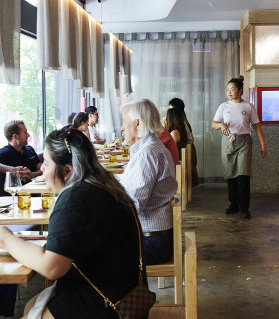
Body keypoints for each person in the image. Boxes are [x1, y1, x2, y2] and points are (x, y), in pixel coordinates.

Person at [0, 128, 141, 318]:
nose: (41, 169)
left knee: (32, 311)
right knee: (31, 306)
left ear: (67, 171)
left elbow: (51, 268)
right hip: (123, 289)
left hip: (106, 301)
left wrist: (6, 238)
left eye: (47, 164)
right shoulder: (101, 184)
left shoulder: (76, 198)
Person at [119, 99, 177, 264]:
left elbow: (133, 205)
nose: (122, 127)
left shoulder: (147, 153)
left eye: (124, 122)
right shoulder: (149, 148)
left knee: (88, 255)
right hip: (152, 238)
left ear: (137, 124)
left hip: (151, 243)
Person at [212, 75, 267, 219]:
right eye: (228, 90)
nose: (229, 92)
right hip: (228, 142)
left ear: (240, 90)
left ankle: (244, 207)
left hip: (244, 142)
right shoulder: (223, 106)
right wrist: (221, 124)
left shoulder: (248, 106)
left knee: (243, 174)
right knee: (230, 174)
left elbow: (256, 126)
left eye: (232, 89)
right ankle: (233, 204)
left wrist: (263, 144)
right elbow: (214, 124)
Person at [0, 120, 42, 195]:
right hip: (15, 199)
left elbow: (42, 169)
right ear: (15, 136)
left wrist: (32, 174)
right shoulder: (3, 153)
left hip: (36, 194)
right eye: (25, 132)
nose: (28, 135)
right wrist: (12, 170)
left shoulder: (30, 149)